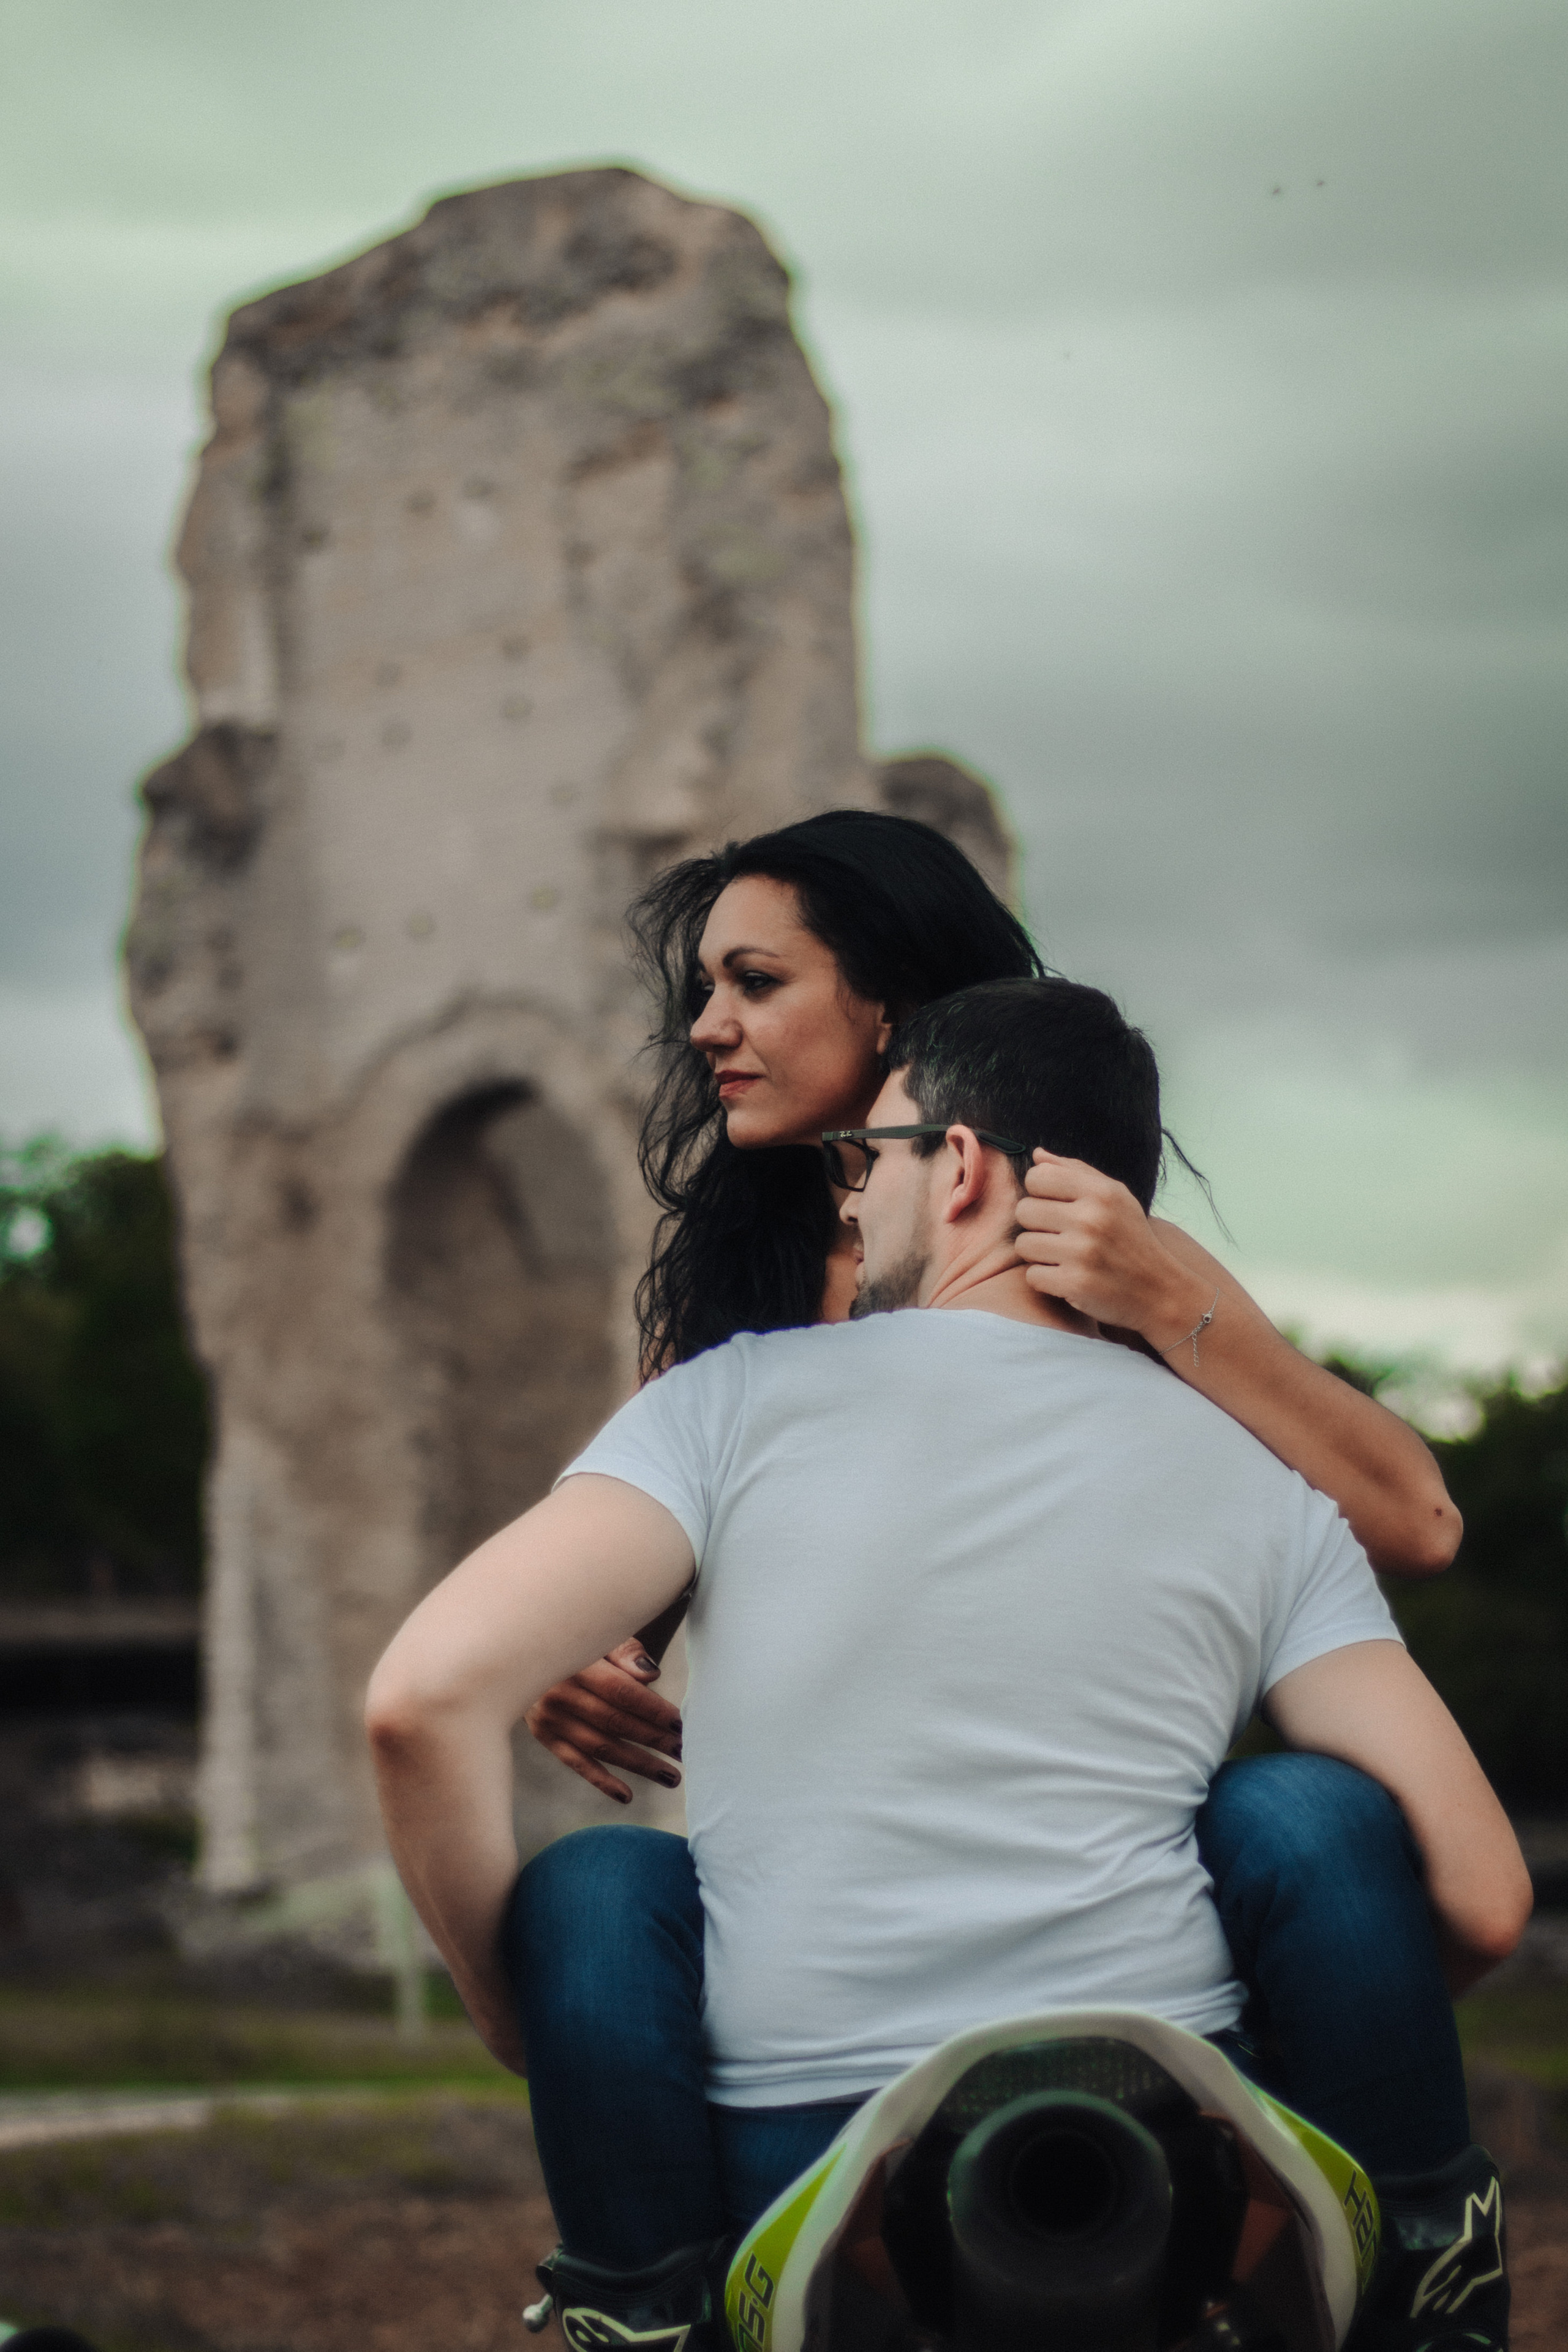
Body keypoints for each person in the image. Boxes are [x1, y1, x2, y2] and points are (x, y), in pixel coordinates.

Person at [366, 976, 1529, 2352]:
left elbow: (419, 1703)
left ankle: (641, 2308)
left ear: (959, 1166)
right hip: (1179, 2129)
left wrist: (534, 2031)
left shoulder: (729, 1401)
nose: (847, 1205)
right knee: (1306, 1807)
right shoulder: (1261, 1478)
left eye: (867, 1160)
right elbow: (1485, 1900)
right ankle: (1427, 2276)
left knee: (599, 1884)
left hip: (802, 2152)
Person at [526, 814, 1458, 1815]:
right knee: (601, 1891)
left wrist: (1162, 1296)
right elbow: (630, 1607)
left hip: (1084, 1809)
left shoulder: (1098, 1243)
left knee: (1307, 1827)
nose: (707, 1026)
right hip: (837, 1828)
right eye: (706, 989)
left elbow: (1417, 1524)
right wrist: (584, 1662)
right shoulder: (724, 1290)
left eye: (755, 983)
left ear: (894, 1004)